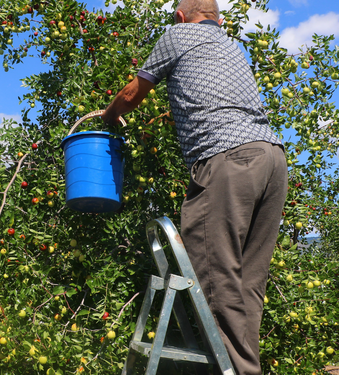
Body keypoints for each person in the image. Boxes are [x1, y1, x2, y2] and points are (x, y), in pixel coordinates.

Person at [102, 0, 288, 374]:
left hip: (226, 159)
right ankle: (243, 366)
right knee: (247, 284)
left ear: (181, 16)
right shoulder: (231, 47)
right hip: (272, 160)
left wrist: (108, 116)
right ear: (219, 19)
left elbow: (132, 94)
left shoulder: (178, 34)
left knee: (214, 278)